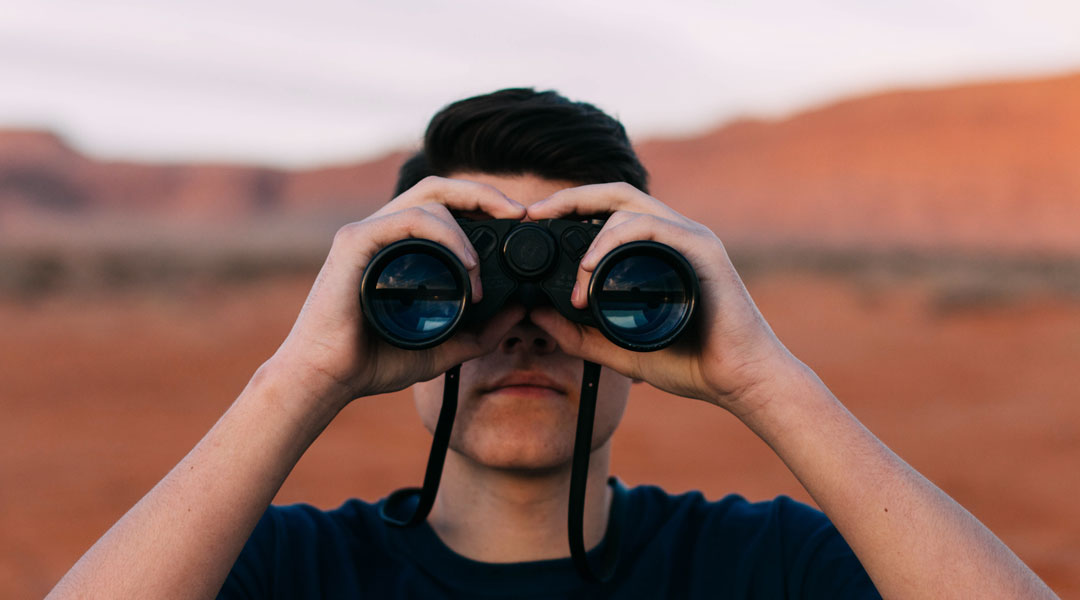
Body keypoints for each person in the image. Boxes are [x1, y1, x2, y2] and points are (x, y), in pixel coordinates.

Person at [48, 89, 1056, 599]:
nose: (525, 321)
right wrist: (300, 374)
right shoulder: (290, 570)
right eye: (459, 283)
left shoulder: (763, 567)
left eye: (588, 283)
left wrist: (765, 376)